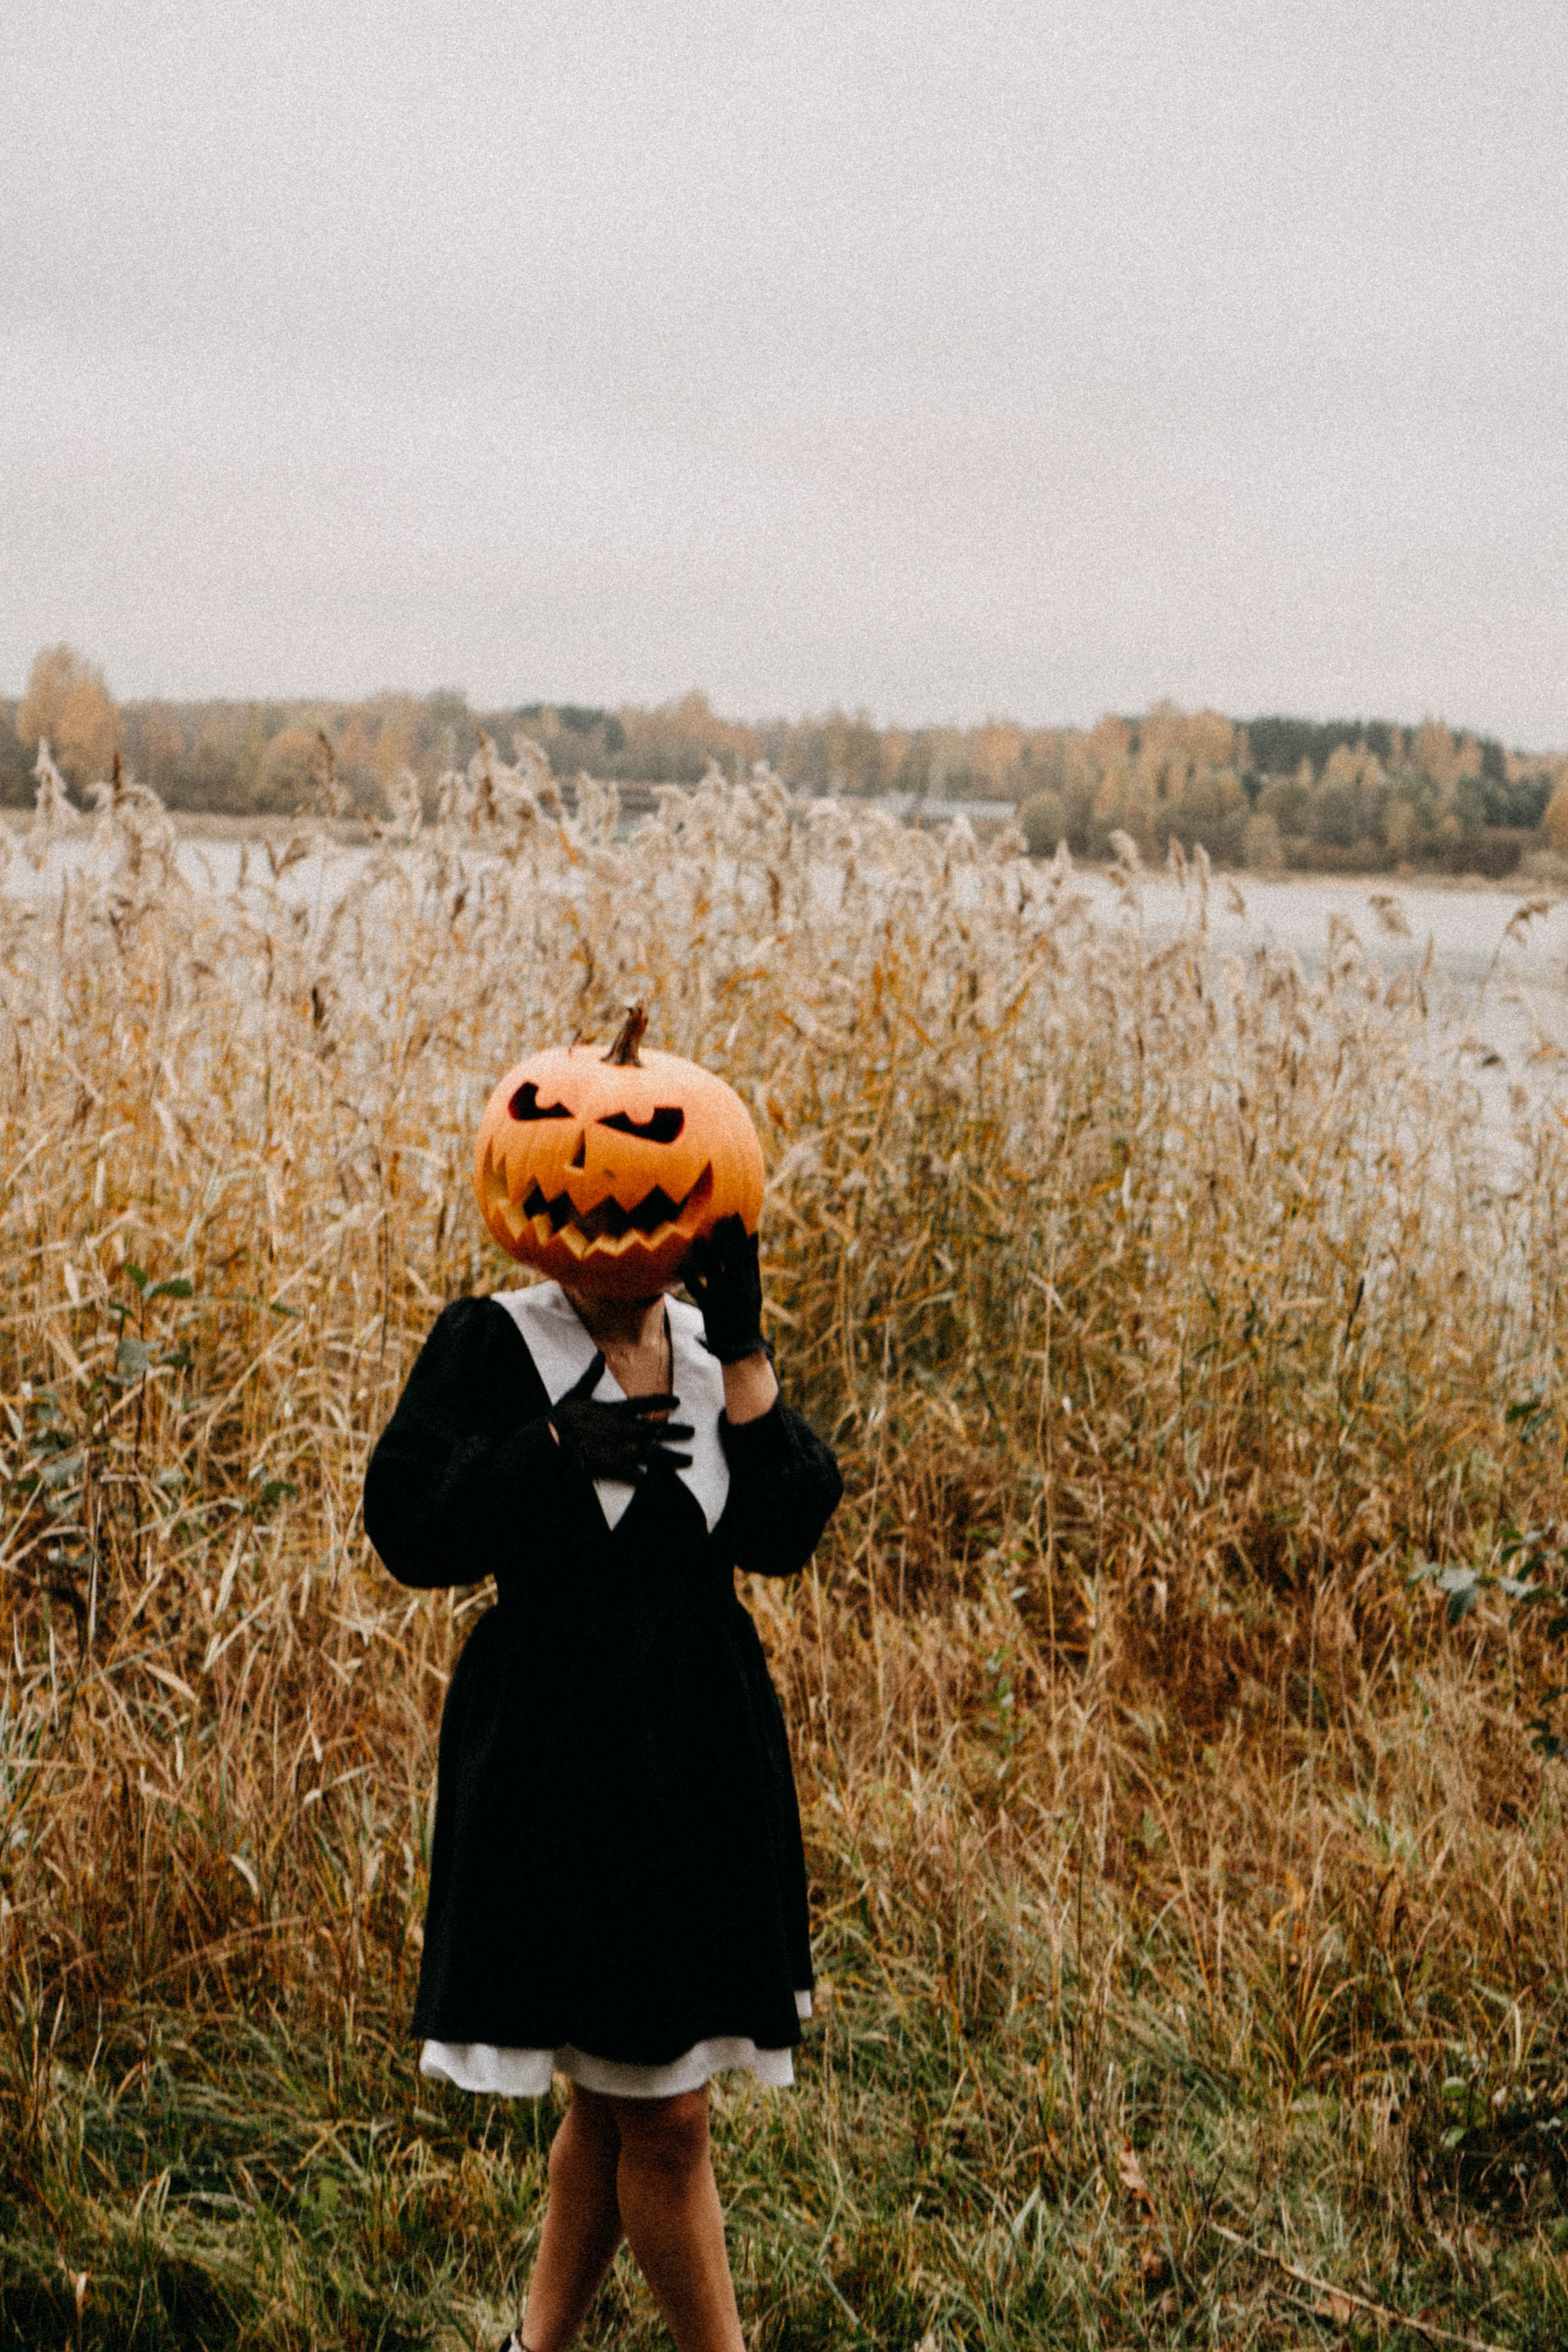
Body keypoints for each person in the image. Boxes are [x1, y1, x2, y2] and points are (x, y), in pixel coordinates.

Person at [363, 1215, 842, 2352]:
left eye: (658, 1210)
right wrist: (549, 1450)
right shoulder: (493, 1341)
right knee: (668, 2115)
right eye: (605, 1212)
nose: (628, 1239)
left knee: (618, 2093)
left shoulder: (704, 1344)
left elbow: (786, 1528)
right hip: (559, 1776)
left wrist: (743, 1348)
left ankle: (534, 2349)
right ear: (552, 1222)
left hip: (698, 1771)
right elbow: (407, 1525)